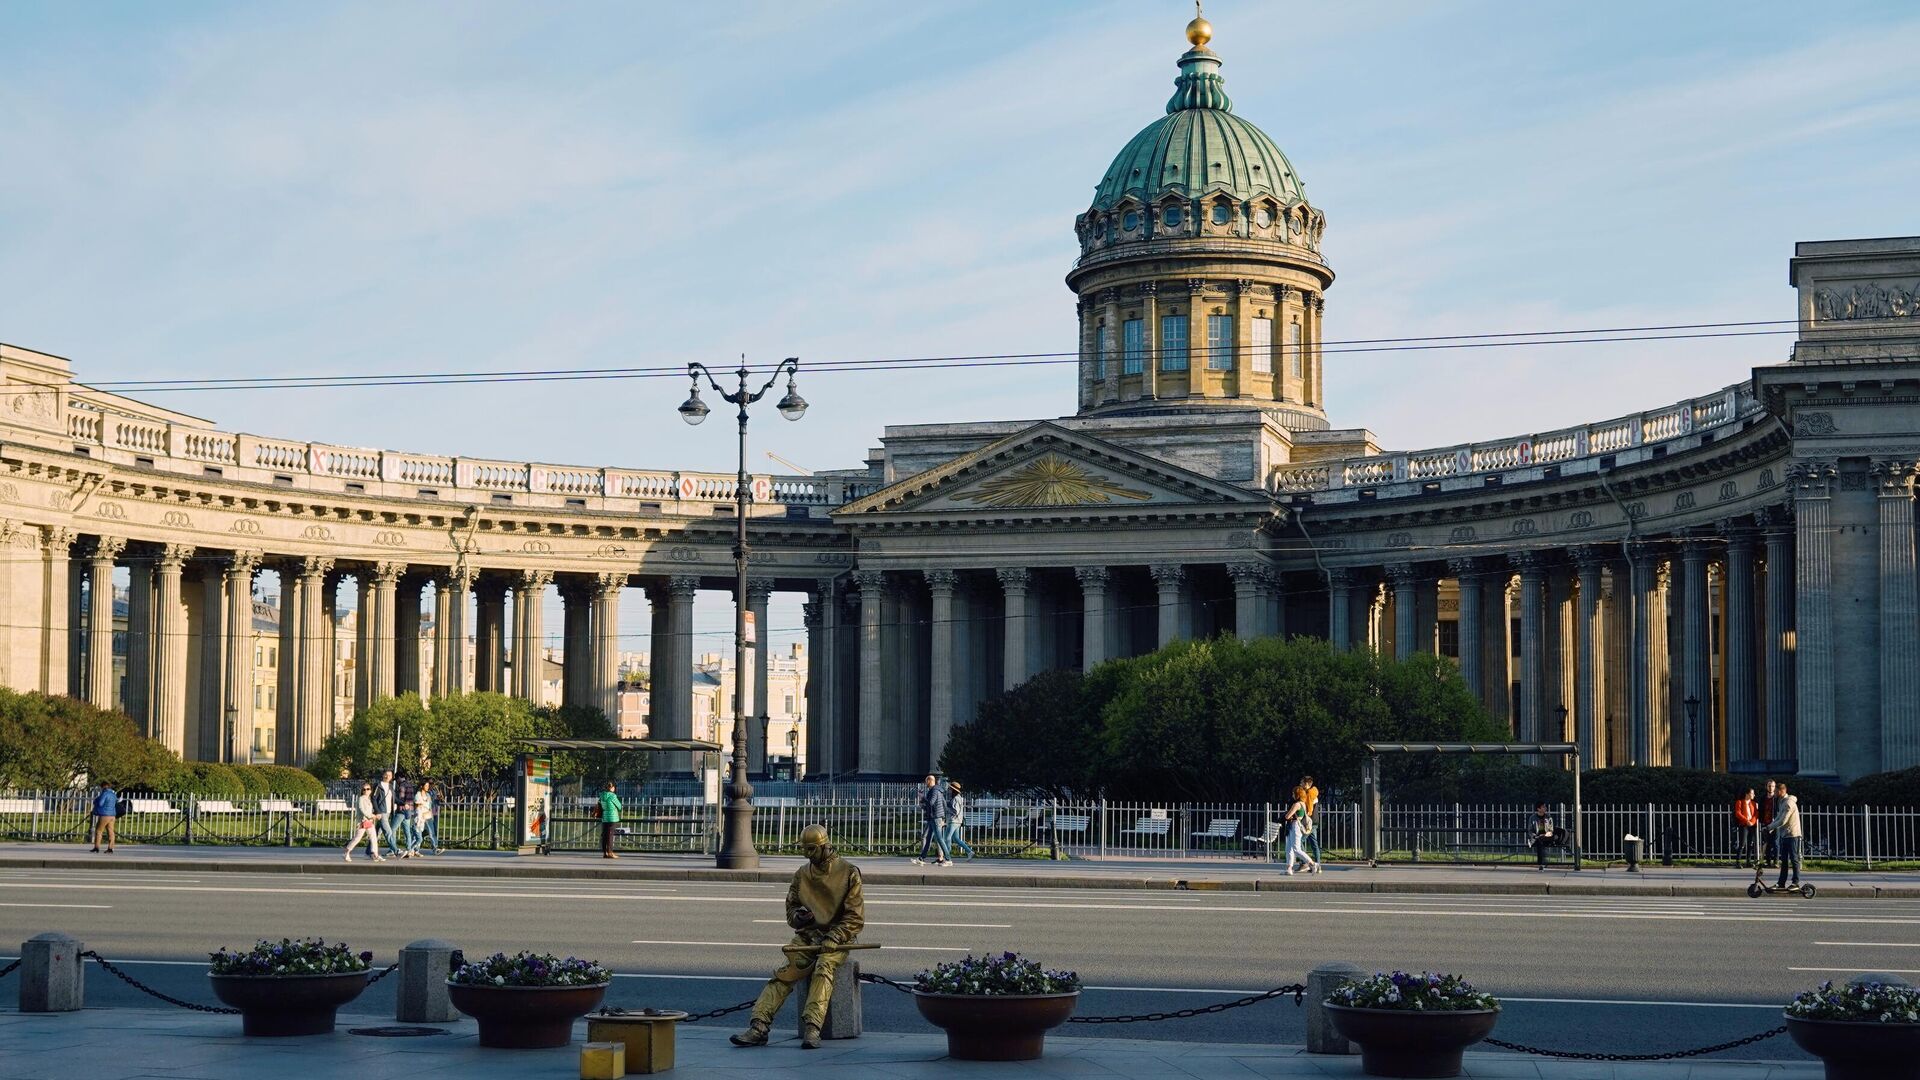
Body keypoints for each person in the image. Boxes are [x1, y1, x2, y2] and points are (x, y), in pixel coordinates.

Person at [732, 824, 866, 1051]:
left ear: (825, 846)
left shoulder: (848, 872)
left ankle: (813, 1027)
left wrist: (835, 936)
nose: (807, 855)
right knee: (784, 974)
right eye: (804, 849)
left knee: (824, 968)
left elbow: (855, 917)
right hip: (807, 937)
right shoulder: (802, 874)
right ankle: (759, 1026)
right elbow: (791, 909)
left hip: (836, 940)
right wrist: (799, 917)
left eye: (812, 849)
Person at [910, 774, 950, 867]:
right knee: (928, 839)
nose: (925, 783)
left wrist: (923, 798)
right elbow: (939, 804)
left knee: (939, 838)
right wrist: (923, 805)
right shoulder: (937, 790)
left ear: (930, 781)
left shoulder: (934, 791)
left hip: (935, 818)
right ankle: (921, 858)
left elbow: (931, 803)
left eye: (926, 781)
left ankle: (948, 859)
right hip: (933, 817)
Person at [1772, 781, 1803, 890]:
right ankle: (1781, 883)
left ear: (1781, 791)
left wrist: (1770, 827)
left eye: (1775, 791)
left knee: (1794, 859)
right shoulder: (1781, 801)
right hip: (1785, 835)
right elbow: (1778, 817)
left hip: (1793, 835)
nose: (1773, 792)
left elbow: (1783, 821)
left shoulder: (1789, 803)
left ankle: (1796, 883)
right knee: (1784, 860)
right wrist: (1770, 827)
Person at [345, 782, 385, 862]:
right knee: (357, 838)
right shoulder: (361, 798)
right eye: (364, 789)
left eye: (368, 789)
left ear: (370, 790)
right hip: (362, 822)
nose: (366, 791)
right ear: (362, 791)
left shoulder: (370, 799)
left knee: (373, 838)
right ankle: (346, 852)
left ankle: (375, 854)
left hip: (369, 822)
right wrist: (372, 816)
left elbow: (372, 809)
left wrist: (375, 814)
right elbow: (362, 810)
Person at [1284, 793, 1319, 875]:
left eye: (1294, 793)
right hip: (1294, 826)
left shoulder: (1296, 804)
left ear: (1298, 795)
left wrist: (1286, 815)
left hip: (1295, 826)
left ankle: (1313, 864)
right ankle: (1289, 868)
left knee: (1296, 849)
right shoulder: (1303, 803)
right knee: (1289, 848)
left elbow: (1287, 816)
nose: (1292, 795)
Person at [942, 780, 974, 860]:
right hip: (958, 821)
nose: (949, 790)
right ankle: (969, 851)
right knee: (956, 839)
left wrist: (946, 808)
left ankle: (947, 856)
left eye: (950, 789)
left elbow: (955, 811)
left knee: (947, 838)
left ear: (953, 790)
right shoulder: (959, 798)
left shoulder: (955, 799)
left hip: (953, 821)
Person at [1294, 775, 1322, 865]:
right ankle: (1318, 865)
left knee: (1299, 841)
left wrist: (1304, 816)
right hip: (1314, 821)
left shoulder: (1309, 794)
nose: (1300, 784)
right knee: (1314, 844)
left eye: (1301, 782)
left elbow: (1309, 810)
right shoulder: (1313, 792)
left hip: (1309, 822)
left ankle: (1305, 862)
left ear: (1306, 784)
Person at [412, 779, 442, 854]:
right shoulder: (418, 795)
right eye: (426, 786)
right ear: (422, 786)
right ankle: (415, 849)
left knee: (432, 832)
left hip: (427, 815)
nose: (427, 787)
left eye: (428, 786)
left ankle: (435, 848)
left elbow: (429, 805)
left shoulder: (428, 795)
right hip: (420, 816)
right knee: (418, 832)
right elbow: (416, 806)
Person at [374, 770, 401, 854]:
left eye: (389, 775)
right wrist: (377, 811)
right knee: (388, 832)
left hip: (389, 812)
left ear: (391, 777)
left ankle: (370, 851)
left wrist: (404, 803)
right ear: (383, 775)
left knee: (376, 833)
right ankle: (396, 850)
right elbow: (374, 799)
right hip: (381, 811)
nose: (387, 776)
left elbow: (394, 799)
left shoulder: (390, 786)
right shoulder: (378, 785)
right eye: (386, 775)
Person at [89, 782, 118, 853]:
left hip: (104, 815)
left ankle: (96, 847)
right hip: (112, 815)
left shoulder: (104, 793)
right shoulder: (113, 794)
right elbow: (115, 802)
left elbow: (100, 803)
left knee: (99, 831)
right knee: (111, 832)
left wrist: (96, 801)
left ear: (103, 787)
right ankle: (110, 848)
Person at [1733, 789, 1760, 867]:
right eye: (1752, 793)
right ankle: (1738, 861)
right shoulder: (1740, 802)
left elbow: (1756, 814)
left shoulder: (1754, 803)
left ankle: (1748, 861)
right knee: (1742, 843)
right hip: (1744, 825)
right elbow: (1738, 813)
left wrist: (1752, 821)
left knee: (1750, 843)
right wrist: (1746, 821)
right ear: (1747, 794)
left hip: (1752, 825)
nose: (1754, 795)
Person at [599, 780, 622, 859]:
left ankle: (605, 852)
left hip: (605, 817)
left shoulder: (602, 795)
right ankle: (610, 852)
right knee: (610, 836)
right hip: (612, 818)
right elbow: (619, 806)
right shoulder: (612, 796)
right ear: (611, 788)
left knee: (605, 835)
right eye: (614, 787)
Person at [1760, 779, 1780, 868]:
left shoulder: (1777, 798)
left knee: (1775, 843)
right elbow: (1760, 810)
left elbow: (1779, 811)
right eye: (1769, 786)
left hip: (1775, 823)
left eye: (1772, 786)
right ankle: (1768, 861)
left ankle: (1776, 861)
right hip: (1766, 823)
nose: (1771, 788)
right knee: (1767, 843)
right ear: (1766, 787)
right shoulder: (1763, 798)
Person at [1530, 804, 1556, 871]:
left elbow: (1551, 830)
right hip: (1538, 837)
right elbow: (1530, 830)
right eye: (1543, 807)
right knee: (1539, 841)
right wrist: (1535, 835)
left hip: (1547, 836)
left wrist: (1545, 835)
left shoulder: (1548, 817)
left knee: (1540, 840)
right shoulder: (1532, 818)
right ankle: (1542, 864)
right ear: (1538, 809)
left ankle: (1541, 864)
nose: (1545, 808)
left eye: (1545, 807)